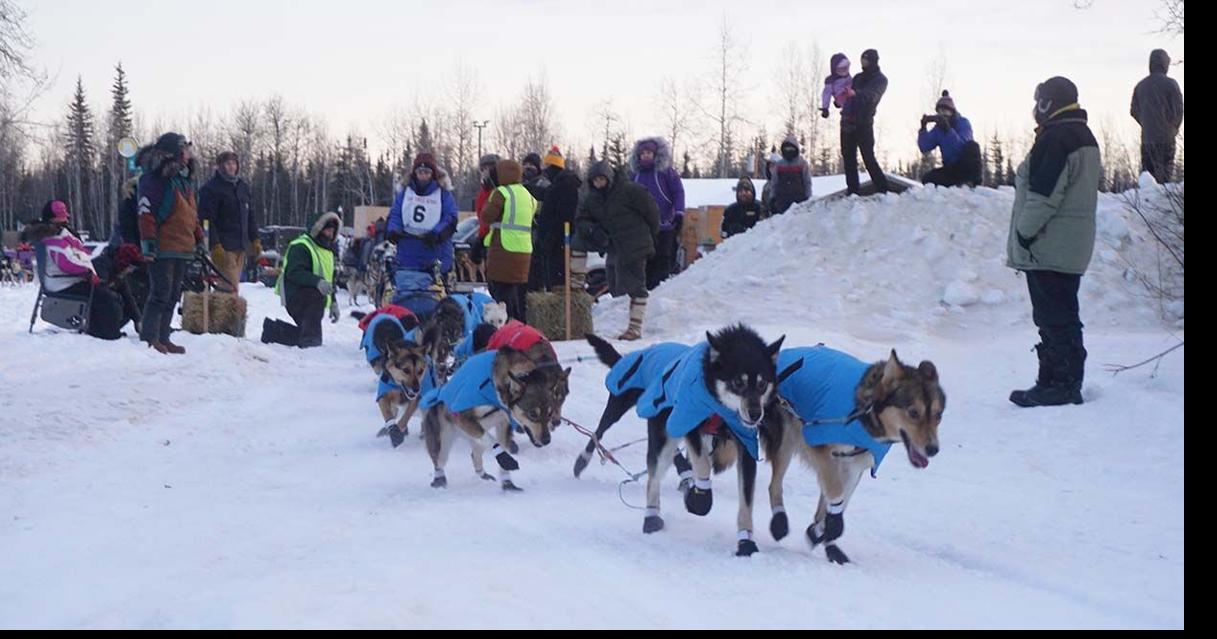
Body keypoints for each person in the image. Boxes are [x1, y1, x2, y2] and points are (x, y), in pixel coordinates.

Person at [1006, 76, 1101, 407]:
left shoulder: (1058, 137)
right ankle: (1058, 380)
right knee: (1061, 314)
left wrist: (1024, 231)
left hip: (1049, 244)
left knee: (1054, 317)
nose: (1035, 108)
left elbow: (1044, 194)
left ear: (1050, 102)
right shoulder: (1080, 134)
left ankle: (1061, 383)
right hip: (1067, 244)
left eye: (1039, 100)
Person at [137, 132, 205, 354]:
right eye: (184, 150)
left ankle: (164, 337)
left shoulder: (184, 180)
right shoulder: (154, 179)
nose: (188, 154)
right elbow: (145, 212)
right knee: (160, 293)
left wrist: (199, 239)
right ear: (174, 153)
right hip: (163, 246)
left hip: (182, 247)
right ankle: (149, 338)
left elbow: (191, 214)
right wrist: (148, 243)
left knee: (174, 294)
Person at [576, 160, 659, 340]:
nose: (599, 183)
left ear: (609, 177)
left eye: (601, 179)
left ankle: (635, 328)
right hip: (614, 247)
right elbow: (582, 219)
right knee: (617, 285)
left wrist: (650, 235)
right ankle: (628, 324)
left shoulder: (630, 190)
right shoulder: (593, 199)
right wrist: (594, 231)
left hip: (635, 244)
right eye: (595, 180)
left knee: (637, 285)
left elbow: (651, 211)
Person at [21, 200, 126, 339]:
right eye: (62, 217)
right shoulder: (52, 238)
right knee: (103, 296)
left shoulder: (56, 235)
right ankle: (108, 333)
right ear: (52, 219)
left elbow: (73, 257)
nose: (66, 219)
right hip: (62, 283)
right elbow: (66, 263)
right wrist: (87, 273)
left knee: (108, 289)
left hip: (68, 278)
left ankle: (106, 327)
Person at [385, 153, 459, 319]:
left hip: (434, 253)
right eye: (420, 172)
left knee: (435, 296)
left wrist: (436, 234)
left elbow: (450, 218)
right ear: (415, 173)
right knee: (405, 293)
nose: (423, 175)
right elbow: (396, 214)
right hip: (408, 253)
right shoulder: (405, 193)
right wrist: (393, 230)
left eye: (427, 172)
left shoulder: (443, 194)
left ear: (433, 174)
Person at [265, 211, 342, 348]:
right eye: (327, 230)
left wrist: (333, 302)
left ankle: (274, 331)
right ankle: (310, 342)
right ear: (318, 229)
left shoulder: (327, 251)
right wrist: (317, 282)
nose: (330, 234)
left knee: (304, 332)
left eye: (332, 231)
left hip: (313, 299)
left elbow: (329, 280)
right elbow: (294, 272)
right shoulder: (301, 246)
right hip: (297, 296)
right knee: (311, 333)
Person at [481, 159, 536, 321]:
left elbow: (487, 216)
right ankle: (520, 328)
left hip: (503, 251)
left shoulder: (501, 193)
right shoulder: (527, 195)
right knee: (518, 296)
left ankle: (505, 331)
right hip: (524, 250)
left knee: (502, 297)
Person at [629, 137, 685, 290]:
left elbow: (678, 192)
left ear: (655, 155)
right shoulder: (634, 175)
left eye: (649, 153)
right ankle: (643, 293)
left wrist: (679, 213)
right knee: (643, 262)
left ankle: (659, 292)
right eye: (643, 153)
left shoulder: (666, 172)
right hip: (641, 229)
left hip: (664, 226)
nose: (646, 156)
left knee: (662, 261)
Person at [198, 151, 259, 293]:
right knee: (230, 286)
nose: (231, 167)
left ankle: (221, 312)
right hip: (224, 246)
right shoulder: (212, 189)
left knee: (229, 285)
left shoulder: (242, 187)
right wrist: (214, 245)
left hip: (241, 245)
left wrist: (255, 239)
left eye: (234, 163)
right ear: (220, 166)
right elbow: (206, 220)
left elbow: (250, 215)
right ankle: (225, 312)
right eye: (227, 163)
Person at [528, 146, 580, 292]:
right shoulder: (556, 185)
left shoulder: (565, 186)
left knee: (557, 282)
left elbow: (564, 216)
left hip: (558, 243)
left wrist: (552, 237)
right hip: (552, 241)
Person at [1130, 49, 1184, 183]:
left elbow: (1133, 111)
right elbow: (1179, 110)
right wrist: (1172, 128)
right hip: (1167, 139)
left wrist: (1146, 123)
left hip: (1147, 139)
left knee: (1148, 182)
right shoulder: (1171, 84)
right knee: (1165, 181)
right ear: (1165, 64)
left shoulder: (1140, 86)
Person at [841, 48, 889, 195]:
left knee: (868, 157)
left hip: (864, 123)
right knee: (848, 159)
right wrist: (840, 98)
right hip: (848, 122)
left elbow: (872, 95)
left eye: (866, 60)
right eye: (862, 60)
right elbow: (848, 95)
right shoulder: (857, 78)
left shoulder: (881, 79)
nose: (863, 63)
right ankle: (853, 192)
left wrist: (856, 93)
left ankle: (883, 190)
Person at [918, 91, 981, 187]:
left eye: (945, 111)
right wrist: (923, 129)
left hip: (965, 165)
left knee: (973, 146)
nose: (942, 114)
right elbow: (924, 147)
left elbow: (961, 146)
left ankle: (972, 183)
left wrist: (948, 130)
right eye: (939, 111)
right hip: (951, 169)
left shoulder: (963, 123)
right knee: (927, 179)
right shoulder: (938, 129)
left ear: (952, 111)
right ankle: (955, 186)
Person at [769, 134, 813, 216]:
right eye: (787, 148)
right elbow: (774, 183)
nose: (789, 150)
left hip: (799, 202)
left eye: (791, 148)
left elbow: (807, 182)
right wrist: (772, 198)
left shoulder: (802, 164)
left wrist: (808, 198)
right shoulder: (779, 165)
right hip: (782, 202)